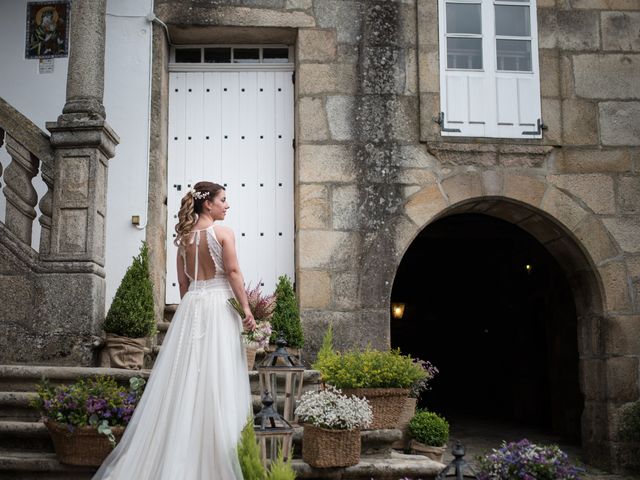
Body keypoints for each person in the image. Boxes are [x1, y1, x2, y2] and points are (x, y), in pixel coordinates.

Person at [93, 181, 256, 479]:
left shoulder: (183, 238)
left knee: (185, 376)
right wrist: (246, 310)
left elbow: (183, 284)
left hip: (193, 304)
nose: (227, 205)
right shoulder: (223, 233)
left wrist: (194, 306)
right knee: (218, 373)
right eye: (223, 200)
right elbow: (233, 273)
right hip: (220, 305)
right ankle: (220, 450)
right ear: (208, 204)